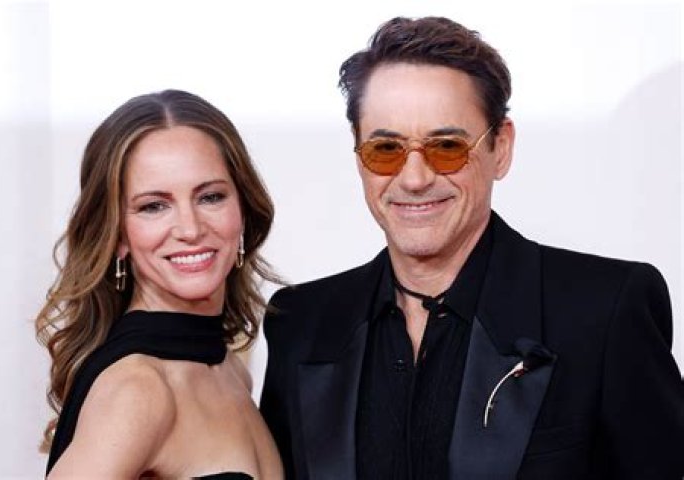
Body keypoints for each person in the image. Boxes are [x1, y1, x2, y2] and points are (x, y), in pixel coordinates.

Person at [260, 16, 684, 480]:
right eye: (386, 150)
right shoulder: (300, 323)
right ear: (359, 156)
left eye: (446, 146)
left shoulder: (605, 310)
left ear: (500, 148)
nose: (414, 179)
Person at [36, 89, 283, 479]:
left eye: (210, 197)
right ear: (117, 235)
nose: (190, 228)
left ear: (243, 209)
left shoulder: (230, 370)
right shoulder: (139, 389)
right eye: (154, 206)